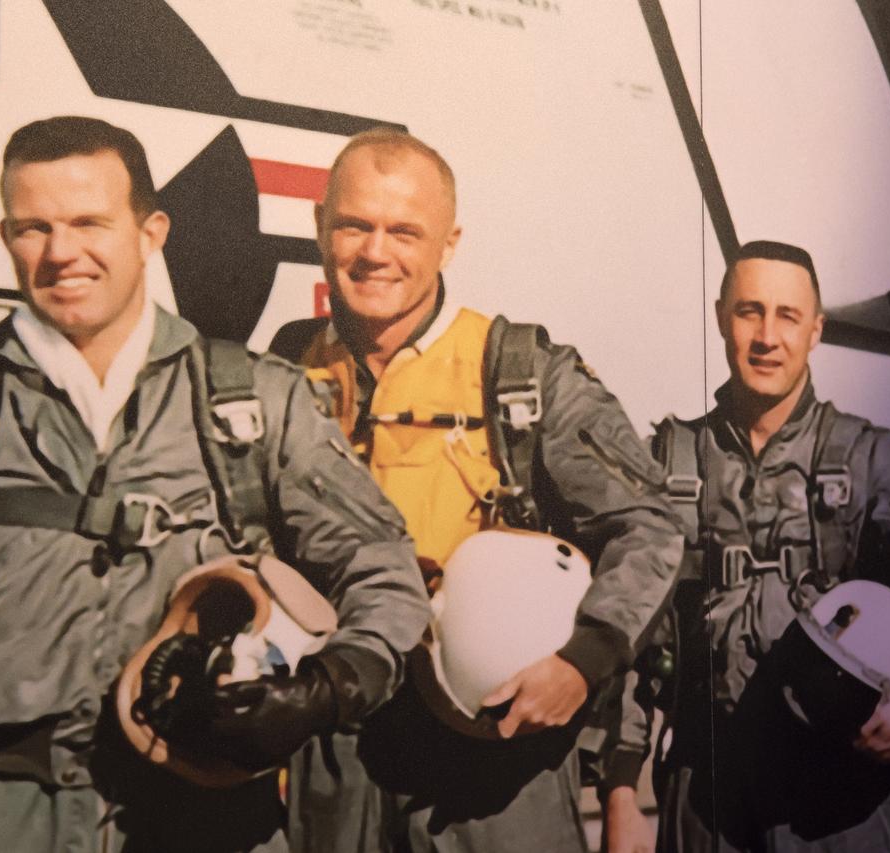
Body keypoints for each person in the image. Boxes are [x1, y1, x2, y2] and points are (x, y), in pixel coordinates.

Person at [0, 116, 431, 853]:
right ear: (6, 238)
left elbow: (385, 573)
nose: (61, 253)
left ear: (150, 232)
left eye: (89, 223)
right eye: (34, 228)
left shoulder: (259, 405)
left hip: (203, 824)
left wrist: (325, 690)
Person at [269, 128, 685, 853]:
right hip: (334, 750)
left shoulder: (522, 372)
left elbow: (649, 526)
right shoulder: (283, 368)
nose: (375, 252)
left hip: (491, 757)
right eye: (355, 225)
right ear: (319, 226)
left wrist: (581, 663)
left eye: (405, 231)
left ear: (449, 244)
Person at [618, 241, 890, 852]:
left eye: (787, 316)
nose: (767, 337)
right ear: (720, 318)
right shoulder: (670, 463)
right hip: (707, 792)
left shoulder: (870, 461)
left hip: (838, 798)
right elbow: (625, 631)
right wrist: (620, 790)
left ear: (816, 330)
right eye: (749, 312)